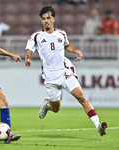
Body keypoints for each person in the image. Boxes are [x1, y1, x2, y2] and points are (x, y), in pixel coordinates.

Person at [25, 6, 107, 136]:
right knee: (56, 108)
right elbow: (30, 50)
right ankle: (47, 105)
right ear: (41, 21)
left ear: (53, 19)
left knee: (81, 97)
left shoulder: (61, 33)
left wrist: (75, 50)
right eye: (43, 19)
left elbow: (66, 45)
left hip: (65, 72)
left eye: (48, 18)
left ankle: (98, 126)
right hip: (50, 77)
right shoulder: (37, 36)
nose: (46, 21)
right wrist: (28, 59)